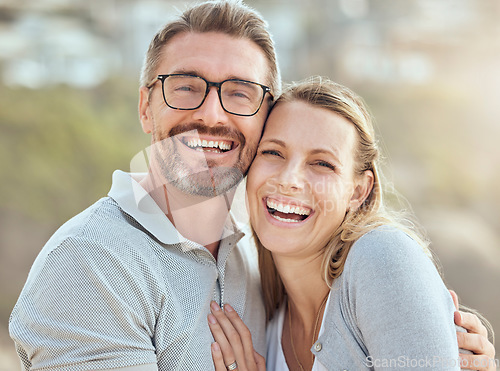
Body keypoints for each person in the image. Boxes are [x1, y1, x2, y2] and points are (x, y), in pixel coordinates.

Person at [8, 1, 494, 370]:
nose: (212, 114)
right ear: (144, 107)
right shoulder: (89, 263)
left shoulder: (256, 257)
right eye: (185, 86)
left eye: (239, 93)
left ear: (263, 117)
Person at [208, 77, 496, 371]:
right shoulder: (260, 309)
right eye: (273, 152)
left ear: (359, 191)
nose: (288, 179)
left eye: (322, 163)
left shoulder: (382, 258)